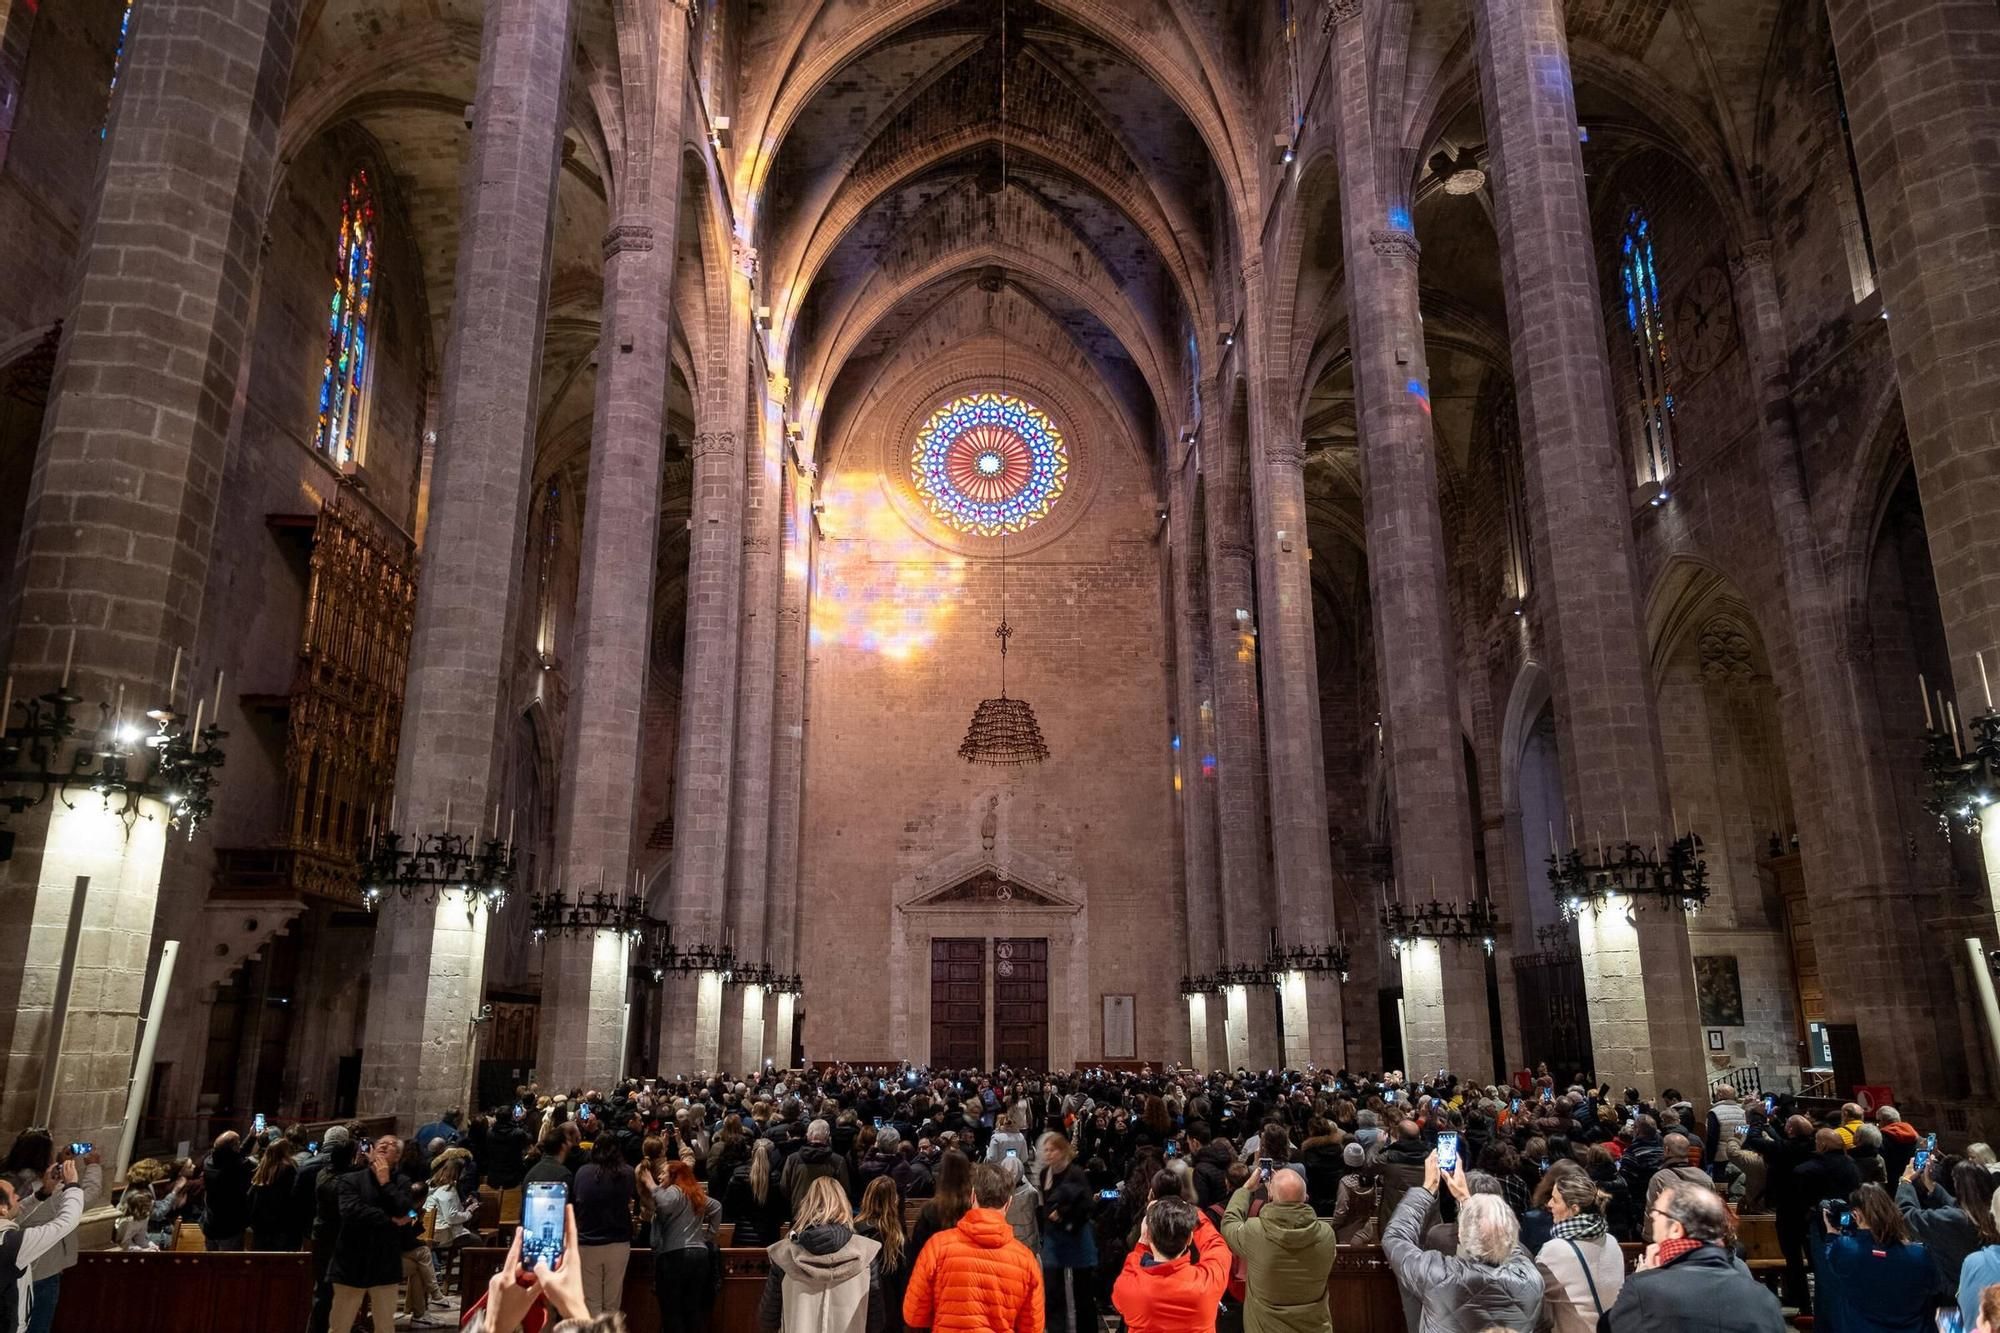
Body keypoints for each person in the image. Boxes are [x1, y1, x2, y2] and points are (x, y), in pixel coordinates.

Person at [1381, 1154, 1541, 1333]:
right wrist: (1467, 1202)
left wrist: (1427, 1189)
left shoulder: (1438, 1275)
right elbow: (1505, 1240)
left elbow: (1395, 1237)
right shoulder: (1531, 1279)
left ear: (1461, 1234)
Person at [1602, 1181, 1785, 1333]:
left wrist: (1646, 1274)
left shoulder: (1643, 1291)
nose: (1651, 1217)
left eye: (1656, 1214)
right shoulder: (1764, 1299)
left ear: (1675, 1229)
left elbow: (1608, 1327)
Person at [902, 1163, 1044, 1333]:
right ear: (1009, 1203)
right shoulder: (1026, 1260)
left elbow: (913, 1314)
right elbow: (1033, 1327)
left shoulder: (937, 1246)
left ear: (973, 1196)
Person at [1220, 1159, 1339, 1333]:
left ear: (1270, 1197)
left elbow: (1229, 1223)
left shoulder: (1255, 1232)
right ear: (1306, 1198)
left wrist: (1245, 1189)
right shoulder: (1326, 1235)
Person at [759, 1176, 884, 1333]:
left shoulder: (785, 1254)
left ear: (807, 1205)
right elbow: (876, 1320)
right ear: (844, 1205)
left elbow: (767, 1318)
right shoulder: (866, 1253)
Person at [4, 1136, 98, 1333]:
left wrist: (44, 1193)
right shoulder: (13, 1243)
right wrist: (74, 1182)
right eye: (15, 1196)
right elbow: (67, 1221)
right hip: (40, 1270)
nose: (19, 1197)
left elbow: (18, 1215)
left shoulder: (7, 1180)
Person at [330, 1136, 420, 1333]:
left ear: (397, 1157)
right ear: (371, 1151)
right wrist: (389, 1220)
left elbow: (410, 1211)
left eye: (392, 1146)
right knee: (340, 1326)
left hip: (385, 1262)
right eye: (381, 1144)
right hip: (351, 1261)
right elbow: (351, 1211)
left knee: (385, 1326)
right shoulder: (350, 1179)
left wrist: (386, 1183)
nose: (385, 1146)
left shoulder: (401, 1181)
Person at [1817, 1184, 1933, 1333]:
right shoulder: (1919, 1255)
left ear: (1856, 1215)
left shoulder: (1846, 1249)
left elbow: (1831, 1256)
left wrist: (1832, 1234)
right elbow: (1933, 1288)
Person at [1112, 1196, 1231, 1333]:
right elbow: (1216, 1246)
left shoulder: (1129, 1287)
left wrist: (1142, 1244)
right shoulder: (1207, 1282)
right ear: (1189, 1239)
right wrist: (1195, 1213)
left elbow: (1131, 1269)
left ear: (1148, 1234)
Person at [1535, 1169, 1624, 1333]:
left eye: (1555, 1200)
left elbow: (1534, 1295)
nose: (1549, 1204)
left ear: (1574, 1209)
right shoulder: (1611, 1241)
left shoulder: (1555, 1250)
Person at [1899, 1158, 1994, 1303]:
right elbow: (1956, 1204)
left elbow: (1906, 1216)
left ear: (1959, 1187)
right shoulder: (1992, 1213)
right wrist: (1931, 1185)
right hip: (1986, 1289)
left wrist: (1905, 1182)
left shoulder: (1953, 1219)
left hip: (1953, 1295)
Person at [646, 1157, 721, 1333]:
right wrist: (707, 1235)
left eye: (663, 1173)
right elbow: (717, 1207)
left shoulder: (673, 1191)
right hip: (700, 1256)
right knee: (693, 1309)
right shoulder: (694, 1193)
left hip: (676, 1256)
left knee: (673, 1311)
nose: (659, 1177)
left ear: (674, 1176)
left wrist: (651, 1186)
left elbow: (664, 1203)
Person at [1037, 1132, 1098, 1333]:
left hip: (1077, 1233)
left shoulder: (1076, 1173)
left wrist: (1063, 1214)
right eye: (1045, 1150)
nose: (1048, 1154)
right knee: (1053, 1290)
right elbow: (1044, 1204)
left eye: (1052, 1150)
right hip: (1055, 1237)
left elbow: (1087, 1205)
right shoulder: (1045, 1173)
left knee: (1083, 1293)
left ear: (1062, 1151)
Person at [306, 1127, 361, 1333]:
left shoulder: (322, 1174)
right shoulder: (347, 1181)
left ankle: (318, 1327)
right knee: (339, 1289)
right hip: (340, 1238)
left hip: (321, 1235)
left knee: (323, 1288)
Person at [575, 1137, 637, 1315]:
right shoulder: (627, 1172)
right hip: (618, 1243)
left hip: (588, 1243)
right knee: (612, 1304)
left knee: (591, 1303)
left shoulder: (582, 1172)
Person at [856, 1176, 911, 1333]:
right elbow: (904, 1285)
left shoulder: (853, 1234)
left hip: (859, 1311)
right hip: (890, 1315)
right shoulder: (898, 1240)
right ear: (894, 1201)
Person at [909, 1150, 974, 1263]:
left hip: (938, 1271)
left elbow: (918, 1252)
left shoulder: (930, 1210)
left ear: (942, 1175)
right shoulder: (976, 1209)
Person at [726, 1138, 791, 1246]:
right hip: (769, 1235)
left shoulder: (738, 1176)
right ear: (771, 1155)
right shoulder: (776, 1178)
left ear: (752, 1153)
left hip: (742, 1234)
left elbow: (729, 1206)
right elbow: (783, 1209)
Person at [201, 1129, 254, 1251]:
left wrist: (251, 1137)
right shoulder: (237, 1168)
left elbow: (234, 1155)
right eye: (238, 1143)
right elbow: (238, 1160)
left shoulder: (208, 1162)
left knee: (211, 1263)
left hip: (211, 1224)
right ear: (234, 1148)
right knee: (228, 1265)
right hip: (229, 1228)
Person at [248, 1137, 302, 1250]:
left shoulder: (262, 1170)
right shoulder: (288, 1169)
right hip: (281, 1225)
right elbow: (293, 1196)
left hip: (260, 1226)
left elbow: (251, 1197)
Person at [783, 1119, 853, 1203]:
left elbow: (784, 1188)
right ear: (827, 1136)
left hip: (800, 1210)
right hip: (828, 1211)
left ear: (808, 1135)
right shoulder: (838, 1160)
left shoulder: (792, 1159)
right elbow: (844, 1191)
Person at [1327, 1143, 1378, 1245]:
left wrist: (1332, 1227)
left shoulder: (1345, 1182)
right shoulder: (1370, 1180)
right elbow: (1374, 1205)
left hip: (1347, 1234)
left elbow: (1341, 1211)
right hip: (1367, 1229)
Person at [1001, 1154, 1041, 1250]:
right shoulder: (1031, 1192)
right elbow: (1036, 1205)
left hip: (1008, 1244)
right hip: (1028, 1242)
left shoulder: (999, 1195)